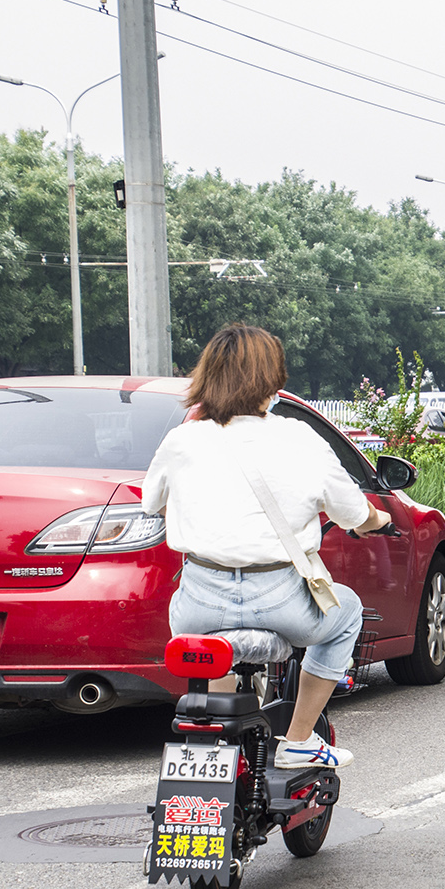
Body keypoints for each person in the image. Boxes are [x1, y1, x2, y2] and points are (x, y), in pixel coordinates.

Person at [142, 324, 391, 769]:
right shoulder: (300, 438)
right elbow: (354, 513)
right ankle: (298, 741)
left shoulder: (183, 439)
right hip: (281, 602)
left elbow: (152, 503)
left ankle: (218, 745)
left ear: (207, 377)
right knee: (347, 613)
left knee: (209, 643)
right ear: (271, 380)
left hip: (201, 602)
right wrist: (378, 520)